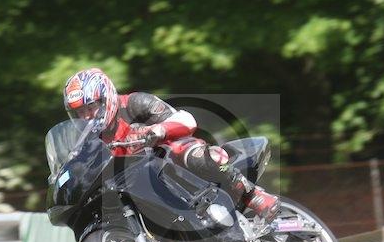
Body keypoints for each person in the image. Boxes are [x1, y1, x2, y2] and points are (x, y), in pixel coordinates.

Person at [63, 68, 280, 222]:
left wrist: (159, 130)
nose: (86, 116)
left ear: (106, 98)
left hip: (170, 163)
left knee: (186, 151)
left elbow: (186, 120)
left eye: (90, 107)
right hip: (140, 187)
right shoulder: (88, 142)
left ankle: (251, 195)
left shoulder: (135, 104)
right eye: (80, 113)